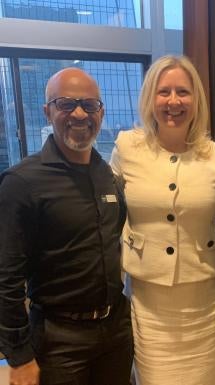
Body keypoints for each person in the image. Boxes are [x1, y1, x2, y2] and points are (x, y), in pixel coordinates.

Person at [0, 67, 133, 385]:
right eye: (66, 104)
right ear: (47, 111)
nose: (78, 114)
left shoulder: (107, 176)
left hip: (116, 332)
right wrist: (19, 357)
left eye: (89, 105)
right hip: (59, 340)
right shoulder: (21, 183)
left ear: (101, 113)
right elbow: (6, 280)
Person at [110, 55, 215, 385]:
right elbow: (105, 215)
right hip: (150, 303)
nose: (173, 101)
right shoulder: (126, 147)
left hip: (205, 300)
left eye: (183, 92)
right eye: (164, 92)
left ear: (196, 100)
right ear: (150, 97)